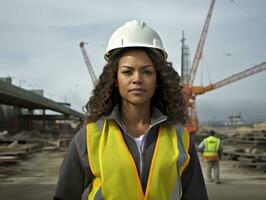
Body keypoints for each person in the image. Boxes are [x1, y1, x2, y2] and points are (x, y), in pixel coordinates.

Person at [54, 19, 208, 200]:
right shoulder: (90, 137)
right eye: (127, 72)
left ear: (158, 80)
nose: (137, 79)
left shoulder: (180, 138)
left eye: (147, 72)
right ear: (115, 80)